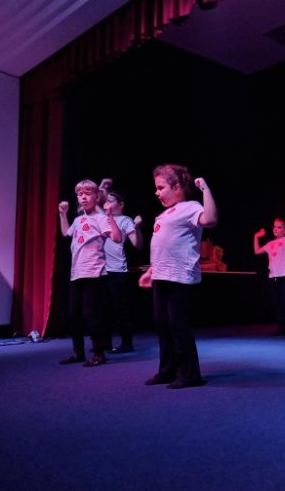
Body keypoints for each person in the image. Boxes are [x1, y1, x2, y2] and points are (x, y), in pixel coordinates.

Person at [139, 164, 218, 388]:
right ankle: (167, 371)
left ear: (176, 187)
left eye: (160, 187)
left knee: (178, 325)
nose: (157, 192)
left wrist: (206, 190)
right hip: (162, 276)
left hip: (180, 277)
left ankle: (190, 374)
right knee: (162, 325)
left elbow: (210, 219)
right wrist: (151, 272)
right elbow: (161, 247)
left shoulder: (190, 207)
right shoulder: (163, 214)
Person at [58, 179, 122, 367]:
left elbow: (117, 238)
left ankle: (99, 353)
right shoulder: (78, 219)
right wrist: (62, 214)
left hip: (94, 273)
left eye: (87, 193)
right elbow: (66, 233)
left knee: (92, 315)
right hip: (76, 273)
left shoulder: (100, 218)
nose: (83, 197)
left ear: (96, 196)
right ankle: (78, 352)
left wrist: (110, 216)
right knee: (74, 316)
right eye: (80, 194)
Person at [102, 190, 144, 354]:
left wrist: (138, 227)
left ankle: (127, 342)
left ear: (121, 205)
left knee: (120, 308)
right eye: (106, 201)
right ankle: (104, 342)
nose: (107, 203)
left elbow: (138, 244)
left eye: (111, 200)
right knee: (103, 309)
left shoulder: (125, 220)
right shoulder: (101, 219)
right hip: (100, 270)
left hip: (116, 269)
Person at [253, 210, 285, 337]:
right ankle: (280, 328)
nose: (275, 229)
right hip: (273, 277)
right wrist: (256, 237)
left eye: (279, 227)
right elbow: (257, 251)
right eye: (274, 226)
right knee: (278, 304)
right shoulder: (270, 244)